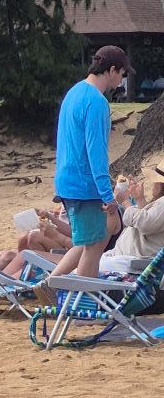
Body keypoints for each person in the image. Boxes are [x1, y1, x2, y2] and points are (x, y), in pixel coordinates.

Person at [50, 45, 133, 279]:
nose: (122, 78)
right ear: (112, 70)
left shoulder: (74, 92)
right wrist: (108, 196)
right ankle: (80, 308)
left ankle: (63, 289)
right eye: (122, 73)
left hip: (66, 181)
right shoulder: (96, 102)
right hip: (84, 186)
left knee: (95, 239)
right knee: (94, 247)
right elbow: (96, 154)